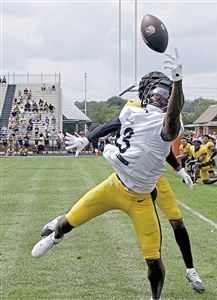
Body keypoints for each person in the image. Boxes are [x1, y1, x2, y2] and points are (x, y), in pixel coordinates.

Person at [32, 49, 190, 300]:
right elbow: (112, 125)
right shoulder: (132, 110)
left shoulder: (168, 124)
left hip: (141, 199)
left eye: (165, 97)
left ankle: (155, 298)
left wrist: (178, 80)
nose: (159, 99)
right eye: (156, 94)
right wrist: (87, 139)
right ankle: (56, 236)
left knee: (153, 259)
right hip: (114, 185)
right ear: (146, 95)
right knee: (68, 221)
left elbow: (171, 119)